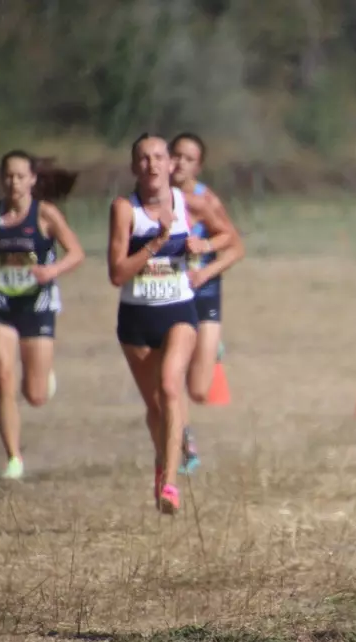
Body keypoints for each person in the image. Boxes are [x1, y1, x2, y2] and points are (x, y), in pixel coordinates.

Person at [108, 133, 238, 515]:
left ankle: (170, 485)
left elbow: (229, 235)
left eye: (158, 157)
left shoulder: (189, 203)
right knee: (155, 407)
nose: (152, 164)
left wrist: (206, 247)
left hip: (179, 310)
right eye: (143, 158)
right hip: (135, 316)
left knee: (170, 387)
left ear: (170, 165)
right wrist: (154, 243)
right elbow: (117, 273)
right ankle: (162, 462)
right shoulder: (123, 209)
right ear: (134, 167)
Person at [0, 149, 86, 480]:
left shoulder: (45, 215)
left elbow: (76, 253)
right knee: (3, 376)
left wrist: (53, 271)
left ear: (32, 179)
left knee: (34, 395)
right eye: (7, 176)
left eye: (20, 176)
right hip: (1, 303)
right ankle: (14, 458)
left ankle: (43, 378)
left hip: (37, 305)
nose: (13, 182)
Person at [169, 132, 245, 475]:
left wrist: (205, 264)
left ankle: (212, 346)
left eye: (188, 158)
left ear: (198, 166)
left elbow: (235, 246)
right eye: (176, 155)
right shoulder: (155, 199)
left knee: (199, 390)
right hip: (171, 297)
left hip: (204, 292)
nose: (180, 163)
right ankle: (186, 445)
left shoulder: (204, 200)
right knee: (172, 378)